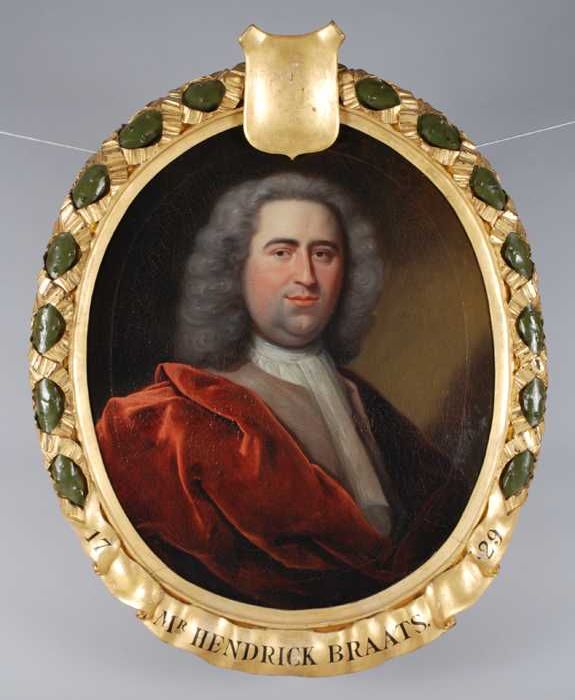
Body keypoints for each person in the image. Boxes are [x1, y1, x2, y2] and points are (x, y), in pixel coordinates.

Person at [96, 172, 466, 609]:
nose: (306, 276)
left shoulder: (366, 402)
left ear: (348, 273)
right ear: (235, 269)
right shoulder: (167, 423)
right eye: (281, 252)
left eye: (323, 254)